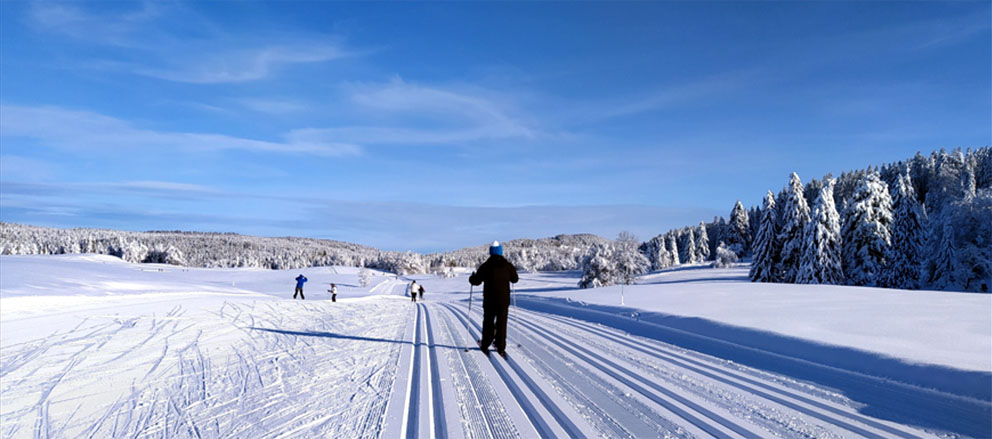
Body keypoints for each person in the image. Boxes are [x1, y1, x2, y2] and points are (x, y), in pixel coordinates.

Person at [469, 241, 518, 357]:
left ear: (491, 252)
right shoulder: (507, 265)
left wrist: (471, 277)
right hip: (503, 301)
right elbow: (515, 279)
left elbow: (476, 281)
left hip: (489, 300)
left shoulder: (486, 265)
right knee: (502, 323)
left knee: (488, 322)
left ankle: (485, 344)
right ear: (501, 252)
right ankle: (500, 346)